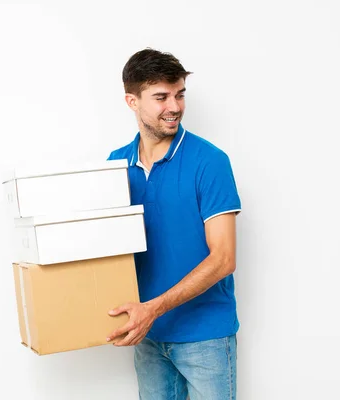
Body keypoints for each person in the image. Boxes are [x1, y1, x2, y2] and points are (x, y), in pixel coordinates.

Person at [106, 48, 242, 400]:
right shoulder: (114, 165)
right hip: (147, 336)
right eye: (161, 97)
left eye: (180, 94)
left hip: (205, 335)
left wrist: (152, 309)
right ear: (131, 101)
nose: (175, 106)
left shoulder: (209, 161)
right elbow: (104, 249)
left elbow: (224, 257)